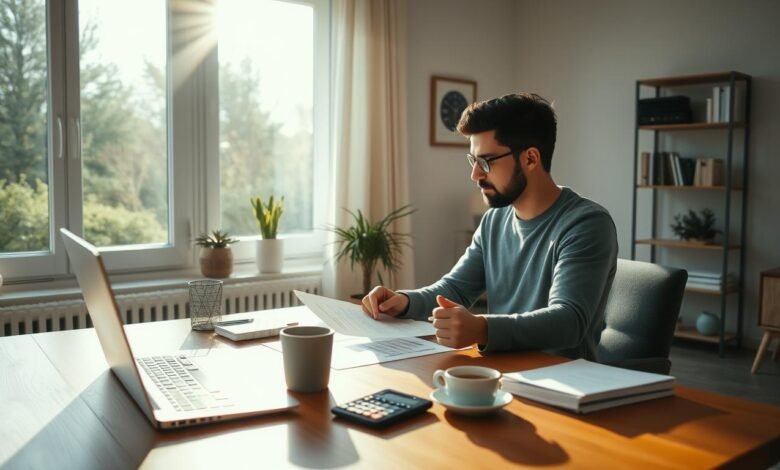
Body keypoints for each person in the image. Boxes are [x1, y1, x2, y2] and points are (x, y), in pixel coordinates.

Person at [361, 92, 618, 359]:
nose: (475, 175)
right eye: (473, 161)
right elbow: (456, 289)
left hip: (564, 381)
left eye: (486, 161)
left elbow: (569, 321)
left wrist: (482, 328)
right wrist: (403, 301)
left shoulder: (586, 224)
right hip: (500, 372)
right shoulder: (495, 220)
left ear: (530, 159)